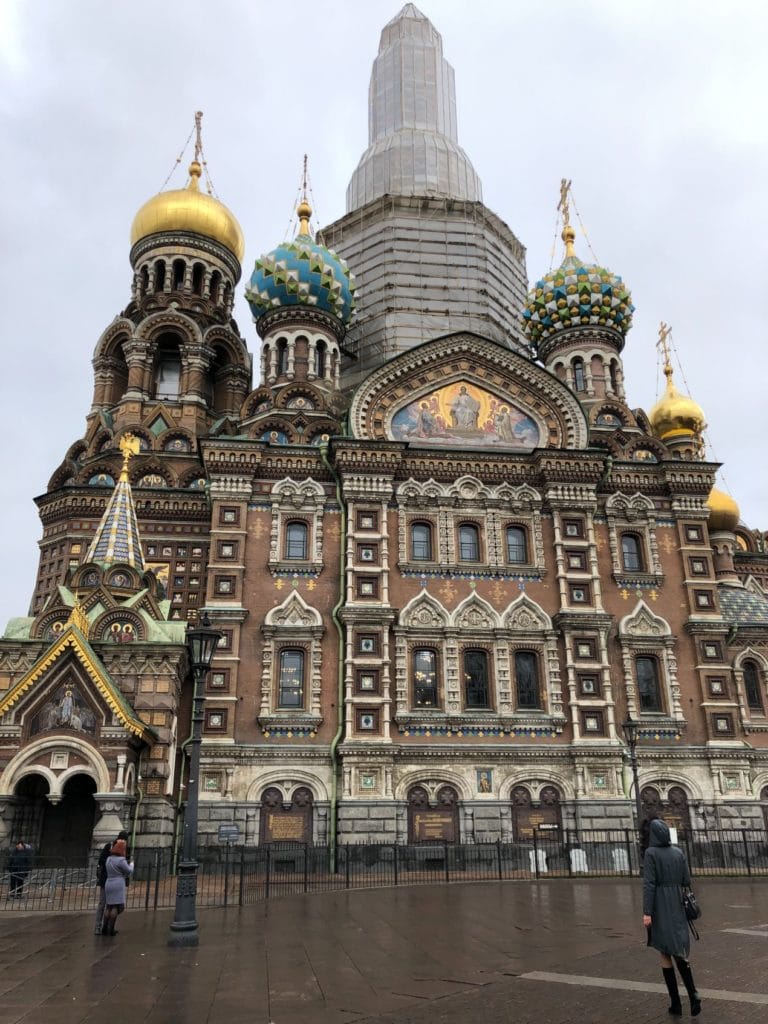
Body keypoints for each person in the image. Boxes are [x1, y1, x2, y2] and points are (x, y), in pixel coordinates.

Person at [643, 818, 701, 1017]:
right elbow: (686, 880)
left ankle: (676, 1003)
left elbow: (649, 884)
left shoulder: (650, 853)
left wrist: (647, 912)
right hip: (677, 903)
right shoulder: (678, 852)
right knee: (679, 949)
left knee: (664, 951)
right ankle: (693, 994)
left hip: (660, 905)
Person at [95, 830, 129, 935]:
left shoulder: (119, 848)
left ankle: (106, 927)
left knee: (109, 905)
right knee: (107, 905)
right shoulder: (110, 847)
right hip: (110, 880)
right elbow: (101, 861)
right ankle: (100, 927)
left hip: (110, 880)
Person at [101, 838, 133, 936]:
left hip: (108, 882)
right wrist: (132, 864)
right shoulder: (121, 860)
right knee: (115, 906)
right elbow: (128, 871)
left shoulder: (109, 859)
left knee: (108, 906)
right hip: (118, 883)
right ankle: (111, 929)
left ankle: (104, 928)